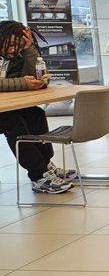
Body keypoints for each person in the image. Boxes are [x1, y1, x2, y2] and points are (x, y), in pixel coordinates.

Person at [0, 21, 77, 194]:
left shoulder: (16, 56)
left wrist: (29, 50)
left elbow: (35, 76)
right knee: (13, 121)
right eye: (11, 45)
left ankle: (46, 166)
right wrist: (22, 83)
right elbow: (22, 82)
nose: (13, 50)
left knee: (35, 113)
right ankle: (38, 176)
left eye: (18, 45)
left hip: (4, 107)